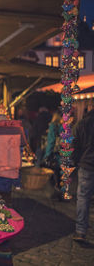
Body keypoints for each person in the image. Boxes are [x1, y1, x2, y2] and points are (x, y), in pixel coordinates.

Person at [71, 102, 94, 243]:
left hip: (86, 164)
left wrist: (75, 161)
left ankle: (80, 231)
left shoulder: (82, 124)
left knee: (83, 198)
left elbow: (74, 145)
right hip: (86, 163)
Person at [42, 112, 62, 190]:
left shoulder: (53, 126)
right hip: (60, 153)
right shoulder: (62, 127)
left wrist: (47, 154)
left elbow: (51, 141)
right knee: (59, 174)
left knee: (52, 174)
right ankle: (60, 190)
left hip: (53, 153)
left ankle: (54, 192)